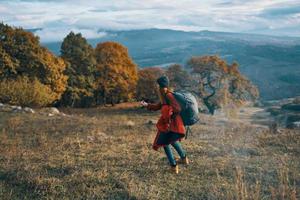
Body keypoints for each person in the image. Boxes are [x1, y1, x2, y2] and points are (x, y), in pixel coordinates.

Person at [140, 76, 189, 174]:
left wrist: (169, 115)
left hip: (171, 123)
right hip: (169, 123)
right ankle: (184, 159)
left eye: (158, 85)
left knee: (164, 143)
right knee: (171, 141)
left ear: (162, 86)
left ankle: (174, 167)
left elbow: (177, 109)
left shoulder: (169, 95)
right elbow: (159, 106)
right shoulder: (164, 96)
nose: (157, 86)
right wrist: (147, 105)